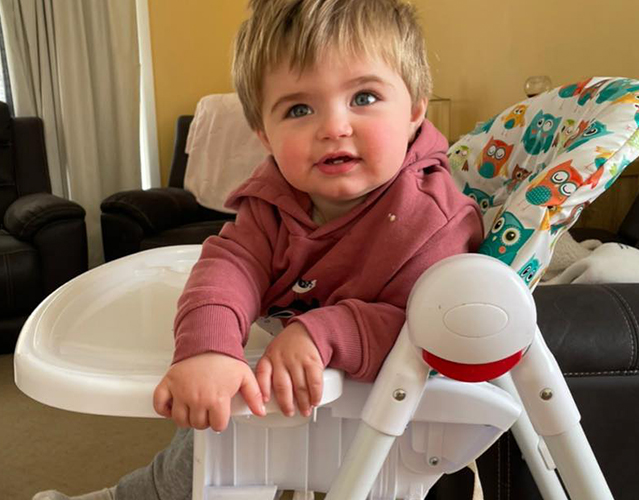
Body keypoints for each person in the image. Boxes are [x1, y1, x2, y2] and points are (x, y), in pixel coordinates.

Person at [34, 0, 482, 499]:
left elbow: (432, 329)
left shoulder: (432, 218)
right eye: (299, 109)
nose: (334, 126)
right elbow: (230, 264)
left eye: (365, 97)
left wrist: (324, 332)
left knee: (225, 443)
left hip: (385, 409)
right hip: (286, 373)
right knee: (215, 416)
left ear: (416, 109)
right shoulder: (275, 198)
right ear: (264, 135)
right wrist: (207, 348)